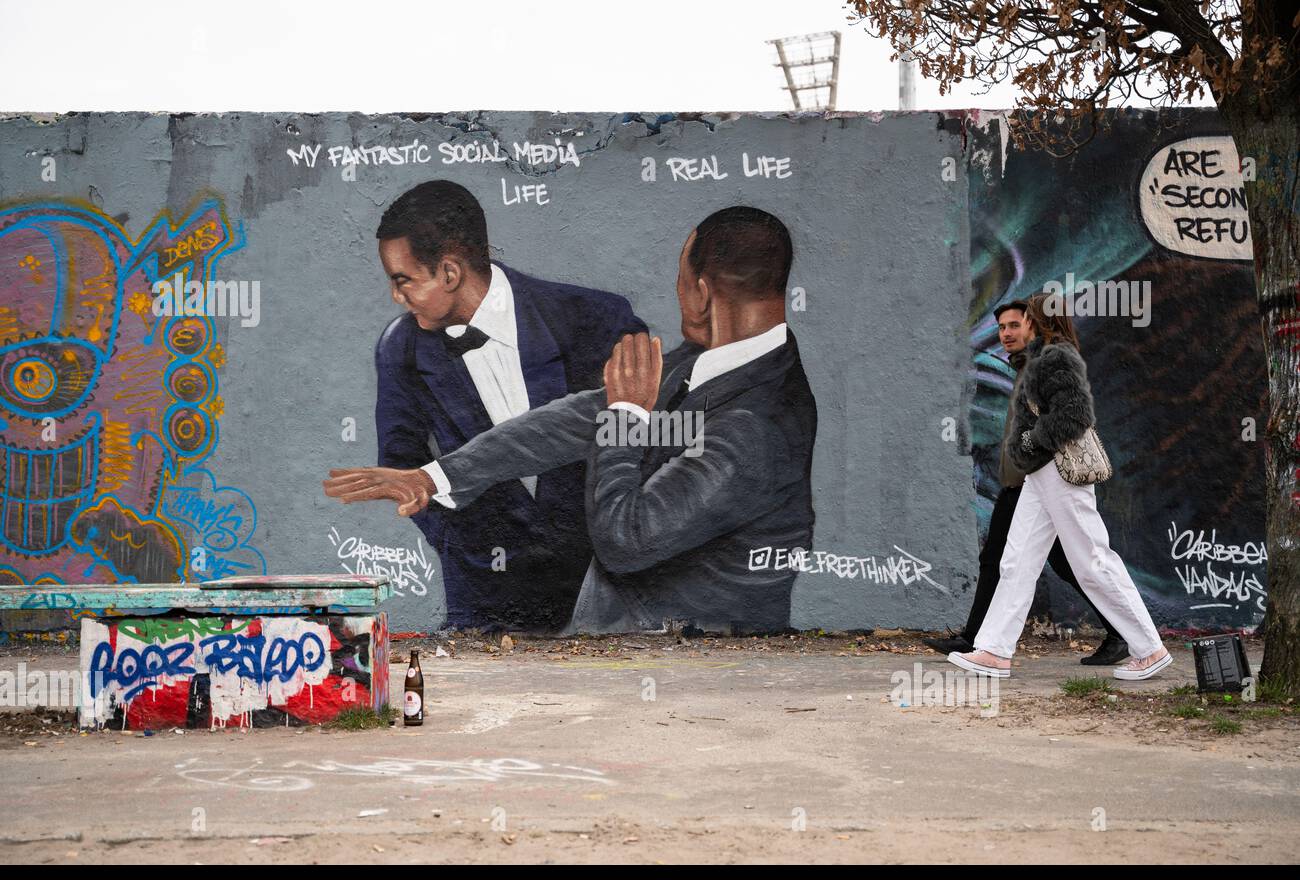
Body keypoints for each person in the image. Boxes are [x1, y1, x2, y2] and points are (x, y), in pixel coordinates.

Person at [325, 206, 818, 633]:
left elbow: (625, 538)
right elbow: (576, 420)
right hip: (622, 653)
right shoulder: (704, 363)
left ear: (702, 292)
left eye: (682, 280)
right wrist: (435, 477)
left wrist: (626, 415)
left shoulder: (756, 425)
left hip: (688, 673)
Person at [366, 180, 645, 631]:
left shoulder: (596, 319)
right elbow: (401, 462)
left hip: (600, 597)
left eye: (403, 281)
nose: (396, 296)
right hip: (485, 601)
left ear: (450, 273)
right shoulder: (400, 348)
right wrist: (460, 542)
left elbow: (639, 433)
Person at [946, 292, 1172, 681]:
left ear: (1036, 321)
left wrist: (1032, 440)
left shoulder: (1057, 357)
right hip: (1039, 475)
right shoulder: (1040, 357)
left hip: (1060, 472)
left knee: (1092, 562)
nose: (1018, 327)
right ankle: (995, 651)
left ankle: (1149, 649)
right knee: (1015, 562)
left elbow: (1076, 413)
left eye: (1025, 319)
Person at [924, 299, 1128, 665]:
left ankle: (980, 641)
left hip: (1037, 482)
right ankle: (980, 640)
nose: (1006, 334)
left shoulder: (1043, 366)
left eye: (1014, 326)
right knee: (1026, 561)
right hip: (1022, 482)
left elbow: (1069, 418)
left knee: (1040, 562)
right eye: (1001, 327)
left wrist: (1031, 448)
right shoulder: (1023, 368)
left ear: (1032, 326)